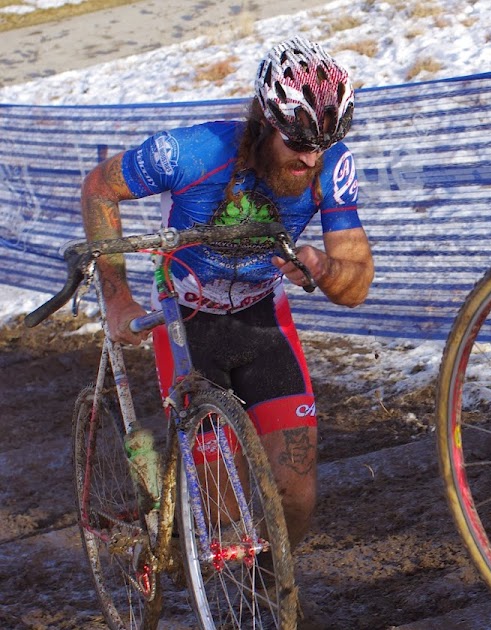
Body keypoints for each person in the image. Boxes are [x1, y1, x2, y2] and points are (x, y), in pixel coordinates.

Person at [79, 36, 374, 550]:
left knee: (298, 496)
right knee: (222, 511)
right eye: (298, 142)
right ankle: (158, 467)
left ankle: (273, 594)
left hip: (264, 318)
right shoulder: (193, 151)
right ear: (265, 120)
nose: (310, 158)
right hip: (187, 321)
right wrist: (117, 298)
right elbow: (100, 188)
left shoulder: (331, 165)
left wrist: (324, 267)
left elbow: (357, 284)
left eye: (321, 144)